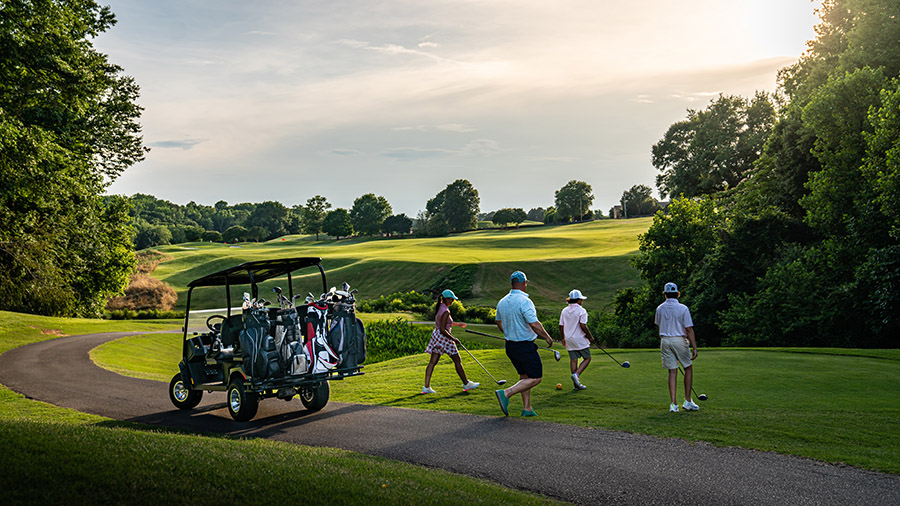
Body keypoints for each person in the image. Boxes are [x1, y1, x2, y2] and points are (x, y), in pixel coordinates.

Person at [494, 271, 554, 417]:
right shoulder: (525, 301)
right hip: (524, 346)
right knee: (536, 377)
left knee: (525, 377)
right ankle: (506, 393)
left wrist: (508, 331)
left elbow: (498, 321)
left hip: (511, 346)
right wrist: (547, 337)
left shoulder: (502, 301)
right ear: (524, 283)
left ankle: (527, 408)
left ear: (512, 284)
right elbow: (534, 323)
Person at [422, 289, 480, 394]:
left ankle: (426, 387)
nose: (452, 301)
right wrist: (454, 339)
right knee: (457, 360)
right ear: (446, 298)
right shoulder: (446, 311)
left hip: (437, 337)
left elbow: (443, 324)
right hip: (444, 337)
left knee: (432, 362)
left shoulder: (440, 307)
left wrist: (457, 324)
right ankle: (466, 384)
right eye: (451, 299)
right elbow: (443, 329)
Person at [655, 282, 698, 412]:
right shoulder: (683, 308)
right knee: (688, 368)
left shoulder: (660, 308)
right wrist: (694, 347)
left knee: (672, 371)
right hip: (679, 339)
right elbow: (689, 329)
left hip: (665, 340)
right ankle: (688, 401)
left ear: (665, 294)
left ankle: (673, 404)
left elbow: (659, 325)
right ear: (677, 293)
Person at [559, 289, 595, 390]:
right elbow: (583, 325)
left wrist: (563, 338)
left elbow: (561, 326)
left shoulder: (564, 310)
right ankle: (577, 375)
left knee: (573, 360)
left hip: (568, 338)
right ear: (578, 300)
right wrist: (590, 337)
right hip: (579, 339)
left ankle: (576, 385)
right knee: (587, 358)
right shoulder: (582, 310)